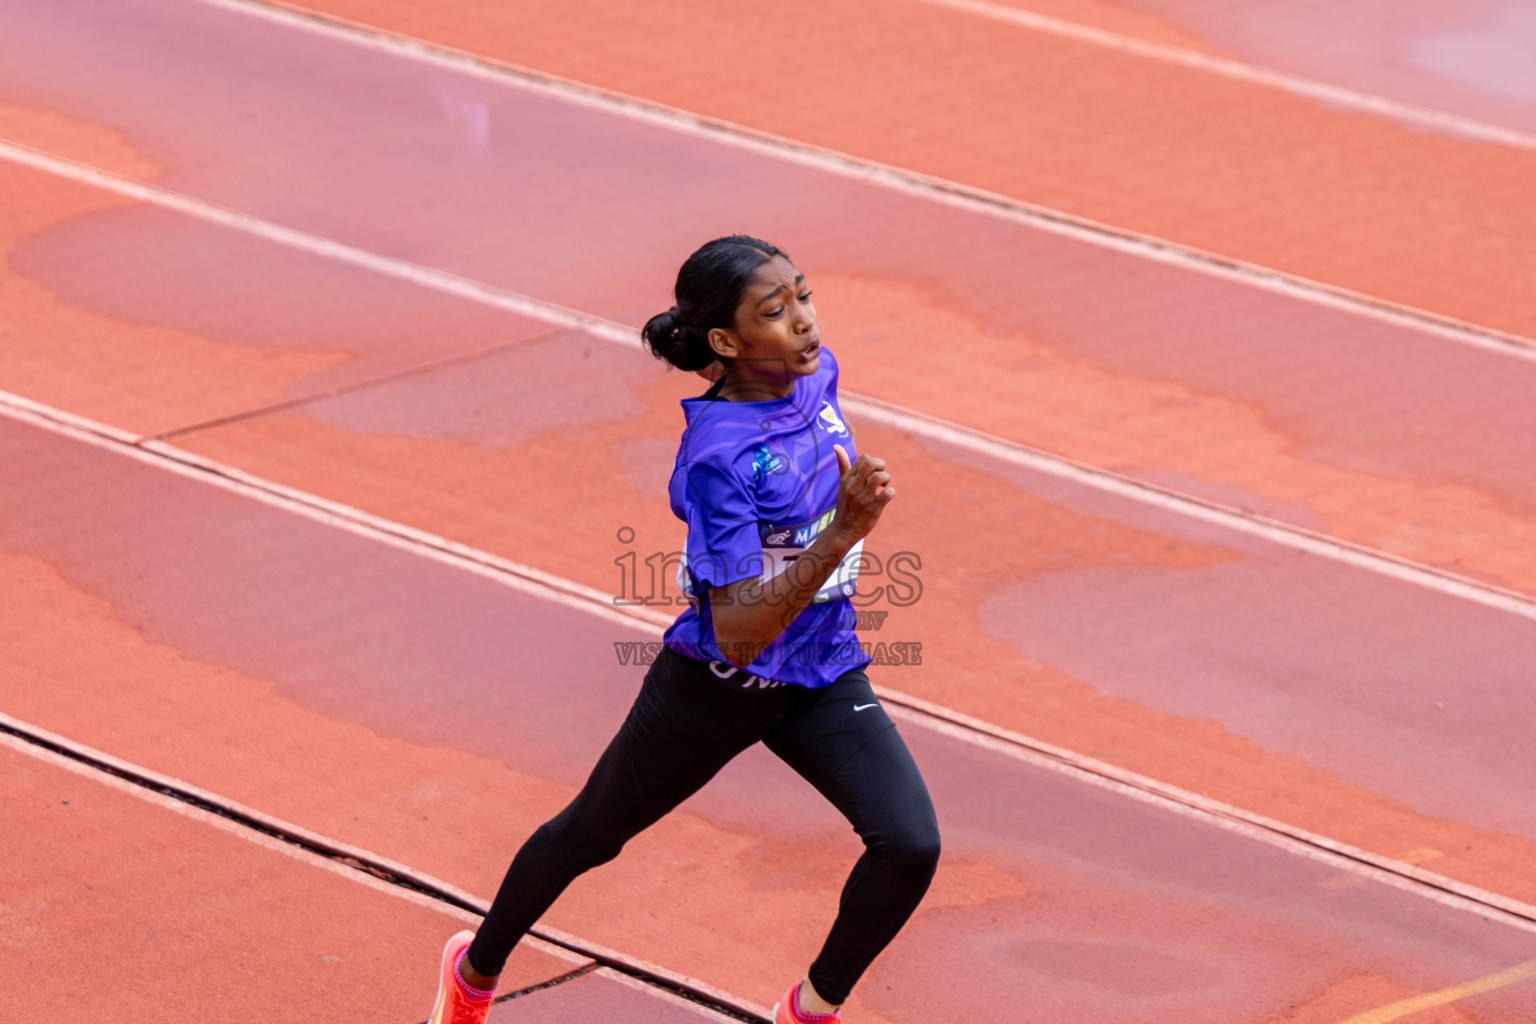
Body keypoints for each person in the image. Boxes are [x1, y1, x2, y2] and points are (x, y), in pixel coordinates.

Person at [427, 235, 940, 1024]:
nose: (803, 321)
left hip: (822, 665)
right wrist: (842, 533)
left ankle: (810, 1010)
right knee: (588, 837)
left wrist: (842, 499)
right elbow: (737, 630)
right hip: (721, 682)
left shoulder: (818, 372)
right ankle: (475, 970)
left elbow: (806, 468)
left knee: (910, 845)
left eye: (803, 296)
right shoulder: (717, 459)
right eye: (776, 311)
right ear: (728, 344)